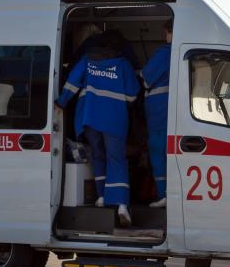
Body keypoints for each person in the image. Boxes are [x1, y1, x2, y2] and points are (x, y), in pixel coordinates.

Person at [56, 34, 140, 227]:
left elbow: (72, 82)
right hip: (115, 118)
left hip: (90, 116)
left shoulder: (87, 60)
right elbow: (132, 94)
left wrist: (61, 102)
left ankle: (101, 197)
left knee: (98, 155)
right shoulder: (123, 64)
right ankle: (121, 205)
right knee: (116, 159)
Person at [140, 22, 172, 209]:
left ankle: (162, 194)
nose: (165, 36)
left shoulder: (165, 52)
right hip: (170, 109)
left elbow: (146, 77)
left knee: (158, 150)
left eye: (166, 32)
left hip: (159, 109)